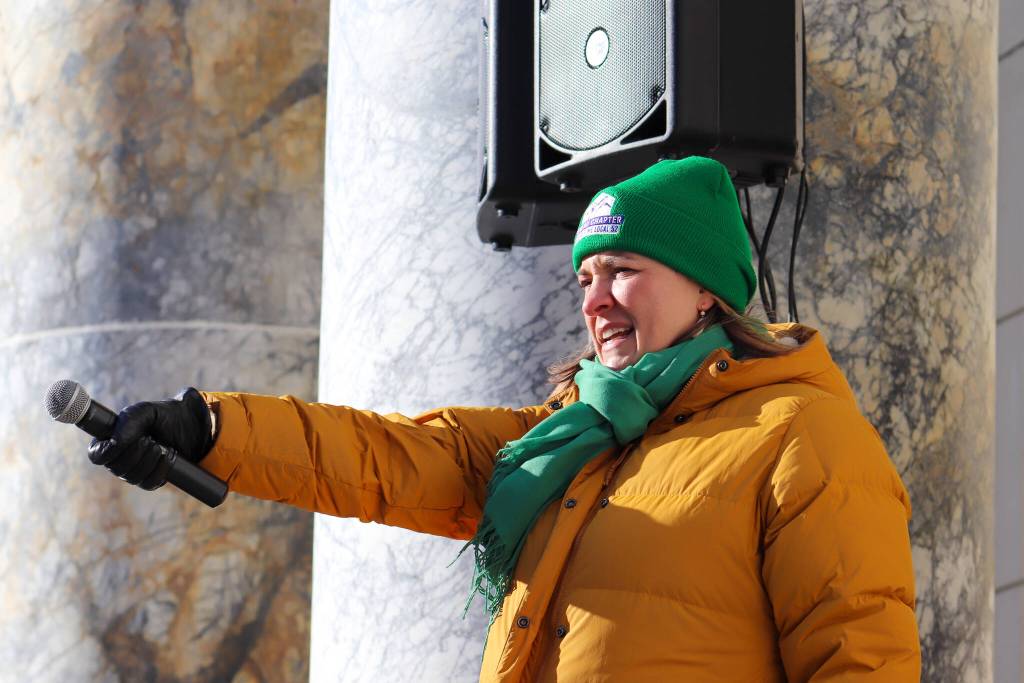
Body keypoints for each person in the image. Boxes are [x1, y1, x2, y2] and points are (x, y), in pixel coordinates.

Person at [89, 156, 921, 681]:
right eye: (585, 276)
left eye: (622, 271)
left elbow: (862, 658)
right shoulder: (570, 437)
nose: (593, 299)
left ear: (707, 287)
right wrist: (207, 429)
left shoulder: (801, 435)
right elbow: (387, 455)